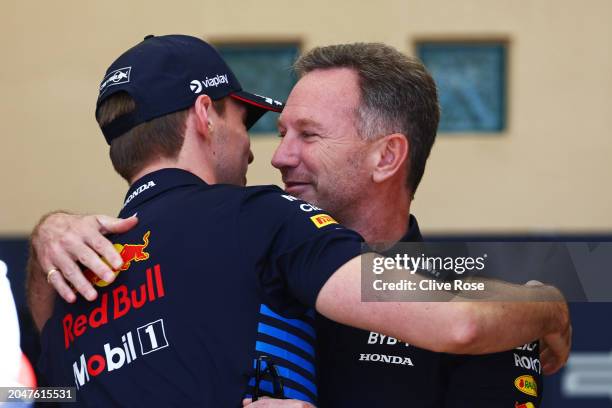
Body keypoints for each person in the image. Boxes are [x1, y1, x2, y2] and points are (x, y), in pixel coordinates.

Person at [27, 37, 571, 407]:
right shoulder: (240, 246)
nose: (276, 157)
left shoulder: (494, 311)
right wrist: (46, 233)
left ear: (387, 157)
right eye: (274, 131)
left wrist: (540, 304)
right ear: (202, 117)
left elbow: (30, 394)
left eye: (306, 136)